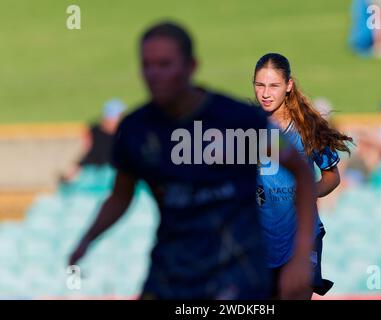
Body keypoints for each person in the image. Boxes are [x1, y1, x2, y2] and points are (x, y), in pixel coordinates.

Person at [69, 22, 317, 300]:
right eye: (147, 65)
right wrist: (85, 241)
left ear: (191, 66)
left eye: (164, 64)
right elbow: (120, 195)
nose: (154, 74)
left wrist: (301, 253)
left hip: (235, 273)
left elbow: (301, 171)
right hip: (172, 270)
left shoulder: (240, 120)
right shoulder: (135, 130)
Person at [252, 53, 353, 298]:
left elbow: (332, 176)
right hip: (258, 240)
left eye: (274, 86)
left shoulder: (307, 127)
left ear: (288, 86)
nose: (265, 93)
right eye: (260, 85)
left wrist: (308, 193)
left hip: (301, 237)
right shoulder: (245, 125)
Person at [60, 99, 126, 183]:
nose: (121, 118)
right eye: (119, 116)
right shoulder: (94, 131)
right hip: (95, 171)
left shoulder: (123, 132)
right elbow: (88, 151)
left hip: (114, 171)